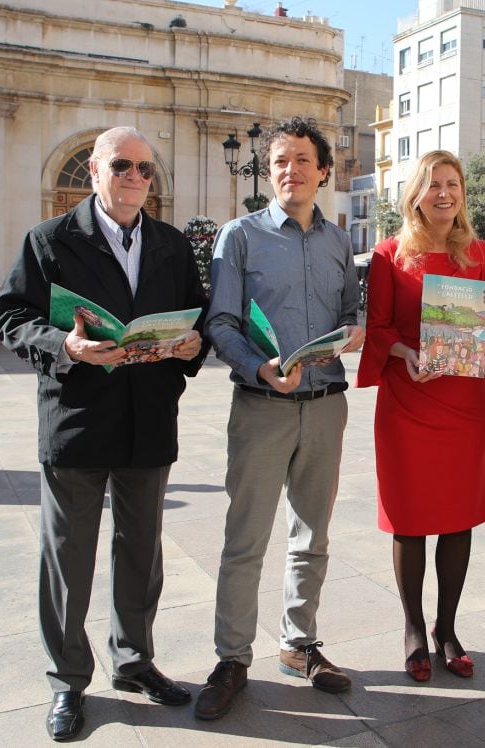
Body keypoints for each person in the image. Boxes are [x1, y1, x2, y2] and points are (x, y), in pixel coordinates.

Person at [0, 126, 208, 741]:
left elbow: (194, 312)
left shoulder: (168, 243)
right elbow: (11, 317)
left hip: (148, 418)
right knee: (68, 559)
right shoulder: (51, 239)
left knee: (141, 554)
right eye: (122, 165)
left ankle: (134, 661)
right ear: (94, 170)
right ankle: (67, 681)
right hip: (78, 420)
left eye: (145, 169)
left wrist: (194, 344)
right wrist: (65, 345)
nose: (135, 177)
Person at [195, 116, 365, 720]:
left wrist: (352, 334)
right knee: (246, 539)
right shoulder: (238, 237)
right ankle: (232, 657)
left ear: (324, 171)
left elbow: (349, 309)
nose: (290, 170)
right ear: (268, 174)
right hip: (261, 407)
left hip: (325, 407)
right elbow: (219, 323)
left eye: (301, 160)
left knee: (312, 535)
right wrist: (260, 367)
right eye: (279, 162)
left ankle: (300, 643)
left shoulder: (338, 241)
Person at [355, 150, 485, 682]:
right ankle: (414, 628)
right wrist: (407, 354)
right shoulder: (390, 254)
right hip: (408, 401)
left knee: (458, 517)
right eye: (434, 184)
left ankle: (448, 627)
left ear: (463, 193)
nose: (444, 193)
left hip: (462, 404)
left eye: (453, 184)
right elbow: (379, 329)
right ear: (415, 193)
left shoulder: (481, 254)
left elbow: (483, 340)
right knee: (411, 519)